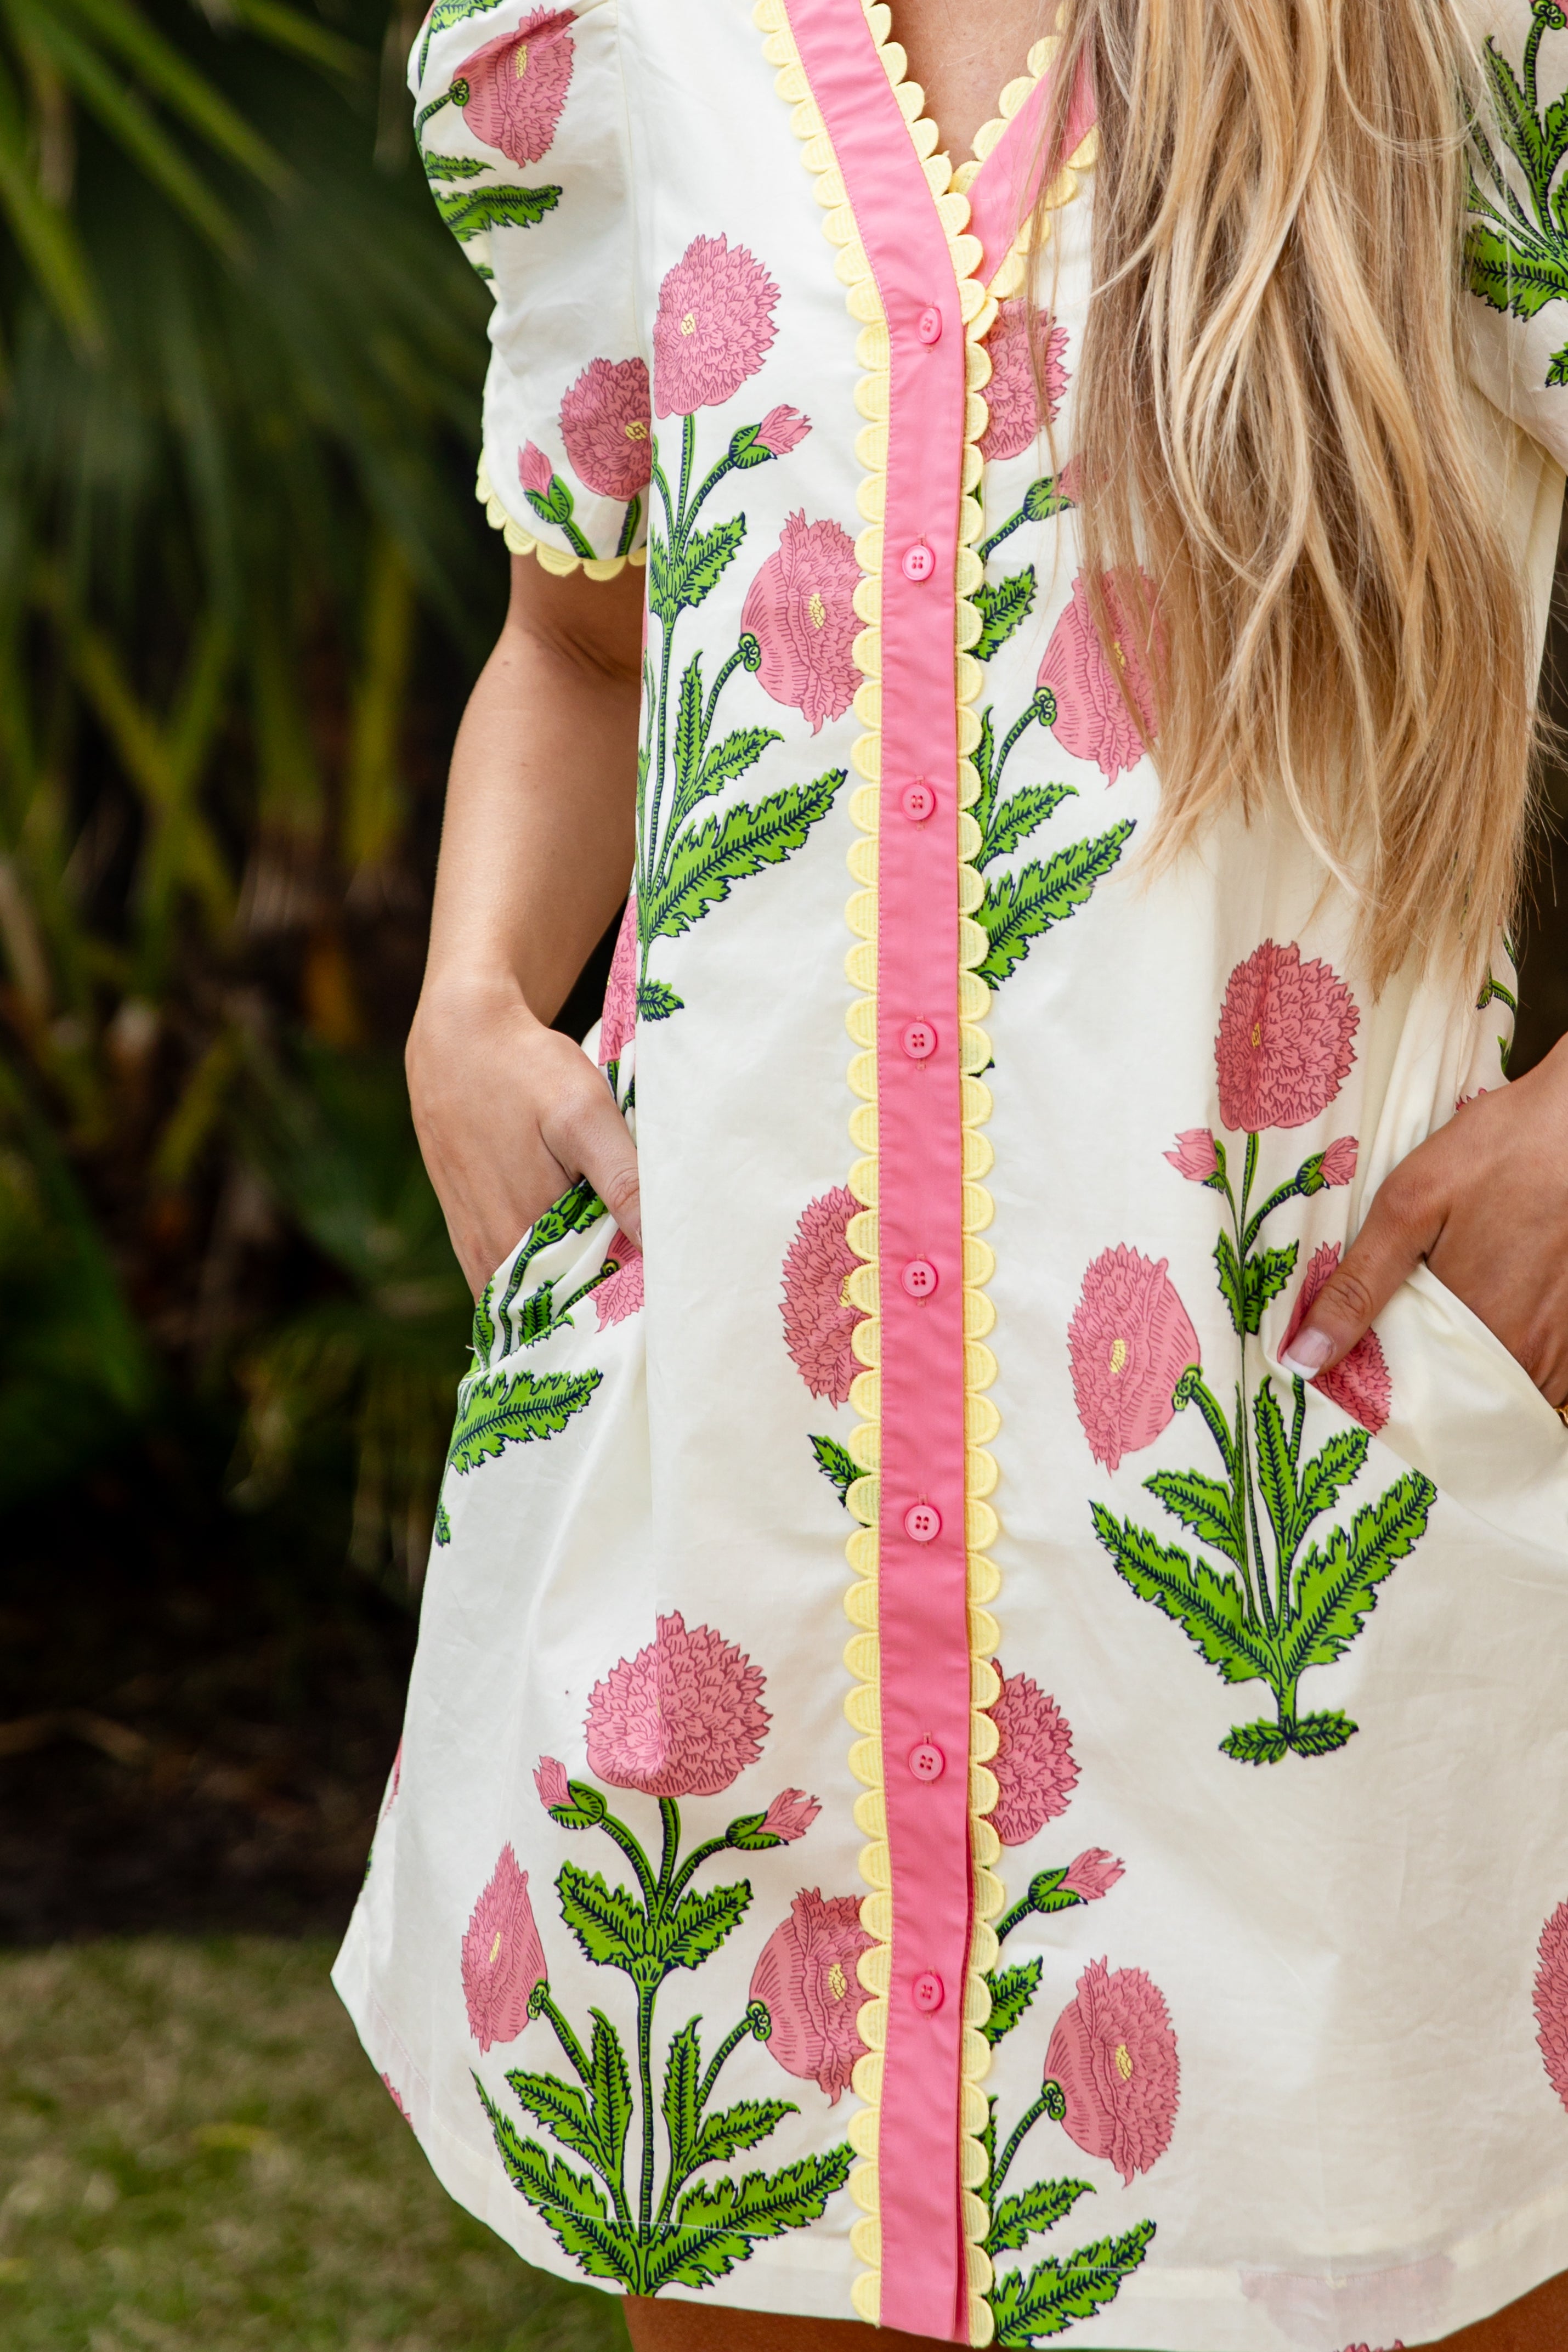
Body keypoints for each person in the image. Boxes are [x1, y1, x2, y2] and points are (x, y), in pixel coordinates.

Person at [332, 0, 1568, 2345]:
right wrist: (471, 999)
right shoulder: (608, 48)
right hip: (737, 1591)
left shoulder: (1464, 40)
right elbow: (583, 638)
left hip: (1291, 1573)